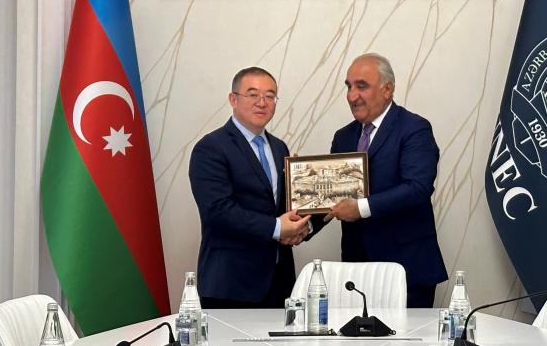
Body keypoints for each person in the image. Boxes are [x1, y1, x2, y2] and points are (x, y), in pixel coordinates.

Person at [325, 53, 447, 307]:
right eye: (348, 86)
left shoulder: (415, 128)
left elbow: (417, 188)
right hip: (356, 273)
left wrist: (360, 208)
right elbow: (333, 197)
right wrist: (299, 220)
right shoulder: (343, 137)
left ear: (387, 89)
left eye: (361, 86)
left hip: (407, 270)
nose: (352, 96)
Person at [188, 67, 311, 307]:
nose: (262, 102)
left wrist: (303, 224)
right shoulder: (210, 148)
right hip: (231, 285)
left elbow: (282, 208)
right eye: (253, 94)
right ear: (233, 99)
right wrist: (278, 227)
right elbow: (217, 211)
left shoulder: (279, 148)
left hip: (279, 282)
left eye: (270, 96)